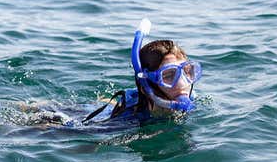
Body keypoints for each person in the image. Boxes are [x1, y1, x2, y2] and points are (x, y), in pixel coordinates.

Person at [20, 19, 203, 127]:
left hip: (115, 104)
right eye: (169, 76)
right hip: (91, 119)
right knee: (43, 121)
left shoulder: (188, 96)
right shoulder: (129, 120)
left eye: (188, 71)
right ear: (149, 83)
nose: (183, 83)